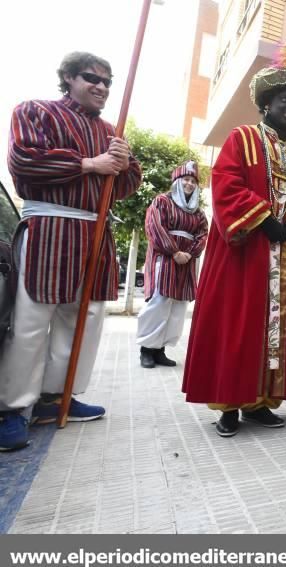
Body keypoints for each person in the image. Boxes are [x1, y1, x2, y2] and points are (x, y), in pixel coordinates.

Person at [181, 39, 286, 438]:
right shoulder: (240, 138)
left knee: (275, 327)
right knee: (239, 324)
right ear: (266, 104)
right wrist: (264, 220)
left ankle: (262, 401)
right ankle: (229, 404)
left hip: (284, 257)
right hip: (244, 253)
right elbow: (226, 185)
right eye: (284, 99)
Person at [0, 52, 142, 451]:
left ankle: (56, 397)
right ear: (67, 77)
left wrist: (124, 163)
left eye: (108, 81)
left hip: (95, 233)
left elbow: (126, 185)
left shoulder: (111, 132)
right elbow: (25, 161)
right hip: (49, 228)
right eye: (90, 78)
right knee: (31, 319)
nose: (101, 87)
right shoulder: (34, 111)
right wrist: (91, 164)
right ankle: (12, 407)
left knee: (85, 317)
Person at [137, 160, 208, 369]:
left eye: (193, 181)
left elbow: (203, 233)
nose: (189, 184)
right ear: (177, 181)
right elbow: (154, 227)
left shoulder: (198, 212)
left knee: (178, 308)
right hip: (164, 258)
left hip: (186, 261)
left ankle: (160, 350)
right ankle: (146, 350)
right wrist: (174, 251)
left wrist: (190, 253)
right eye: (186, 179)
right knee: (159, 302)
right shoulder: (162, 201)